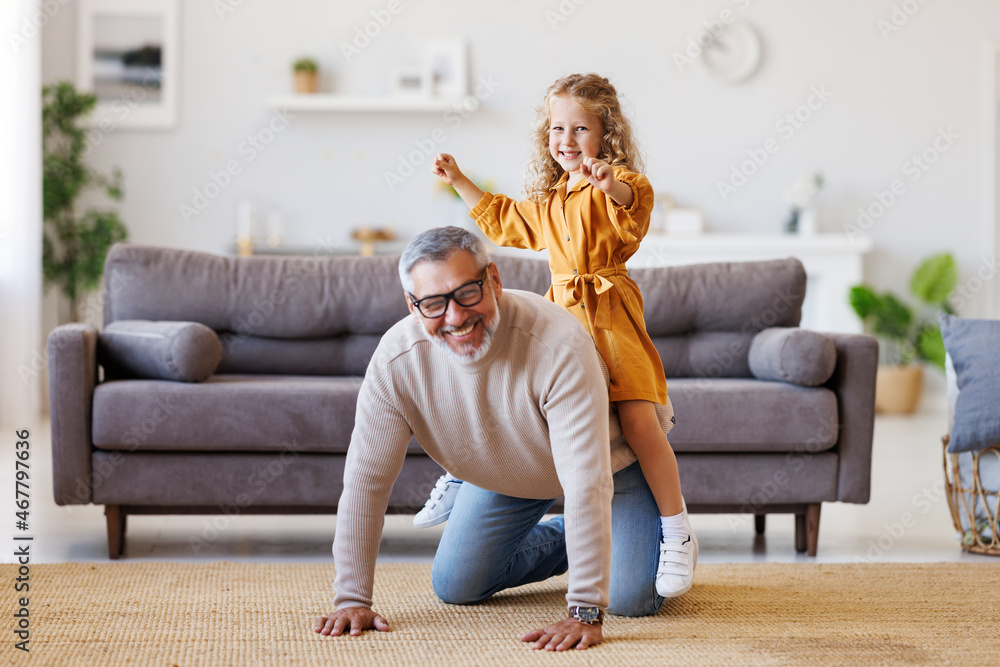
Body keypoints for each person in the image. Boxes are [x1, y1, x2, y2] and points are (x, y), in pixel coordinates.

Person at [314, 227, 677, 650]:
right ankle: (590, 537)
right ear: (412, 307)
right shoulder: (397, 360)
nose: (454, 317)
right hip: (512, 468)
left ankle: (626, 533)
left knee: (630, 599)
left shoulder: (556, 343)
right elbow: (366, 480)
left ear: (494, 280)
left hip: (611, 469)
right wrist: (352, 599)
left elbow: (586, 481)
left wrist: (584, 608)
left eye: (468, 292)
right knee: (458, 585)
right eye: (433, 303)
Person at [426, 73, 695, 598]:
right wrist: (459, 178)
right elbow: (504, 220)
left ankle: (677, 530)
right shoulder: (549, 202)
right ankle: (464, 469)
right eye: (557, 129)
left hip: (611, 325)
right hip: (562, 324)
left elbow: (631, 204)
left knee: (640, 423)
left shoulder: (618, 185)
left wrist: (606, 182)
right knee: (501, 378)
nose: (566, 140)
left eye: (580, 129)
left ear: (606, 135)